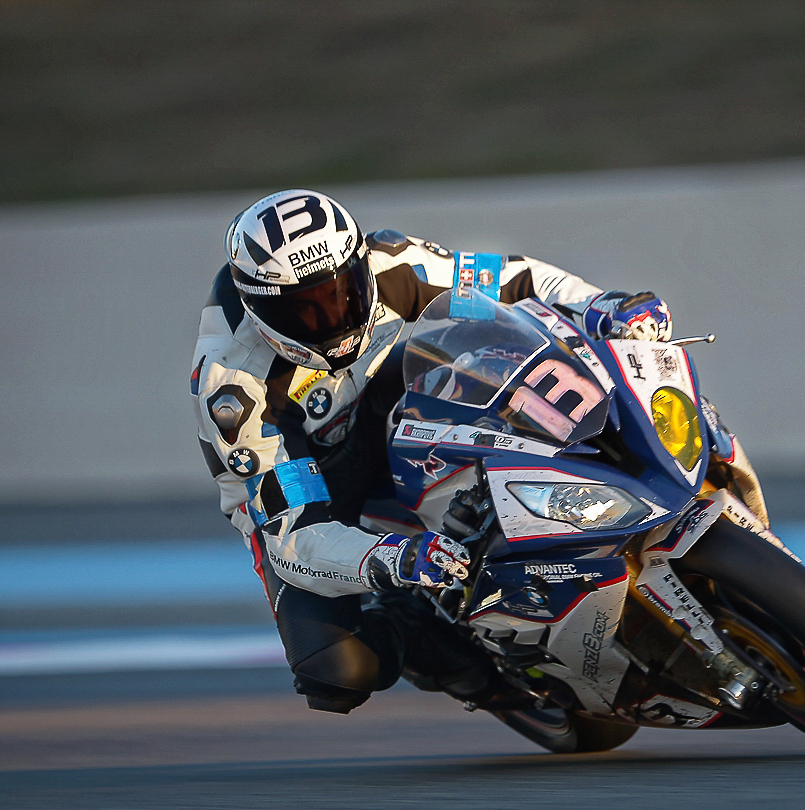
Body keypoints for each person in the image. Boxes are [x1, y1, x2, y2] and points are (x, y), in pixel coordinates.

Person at [190, 189, 677, 714]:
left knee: (497, 353)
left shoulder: (391, 265)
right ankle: (438, 644)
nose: (332, 318)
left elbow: (515, 280)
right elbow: (296, 537)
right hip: (311, 484)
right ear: (257, 306)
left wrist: (601, 306)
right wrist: (389, 559)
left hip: (388, 402)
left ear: (360, 264)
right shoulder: (235, 390)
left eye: (343, 292)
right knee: (338, 670)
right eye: (303, 311)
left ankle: (588, 482)